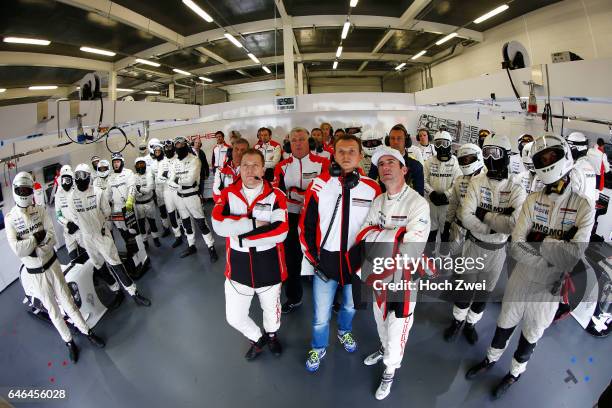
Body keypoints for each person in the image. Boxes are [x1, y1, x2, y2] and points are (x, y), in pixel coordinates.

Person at [466, 135, 594, 399]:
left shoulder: (584, 207)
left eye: (551, 156)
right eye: (542, 158)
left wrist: (539, 241)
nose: (547, 162)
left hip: (550, 287)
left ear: (564, 156)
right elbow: (516, 245)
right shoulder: (533, 199)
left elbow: (572, 256)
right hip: (521, 277)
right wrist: (555, 244)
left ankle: (514, 372)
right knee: (504, 323)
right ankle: (490, 360)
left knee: (531, 334)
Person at [300, 134, 381, 373]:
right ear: (333, 154)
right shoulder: (318, 185)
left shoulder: (373, 189)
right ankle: (319, 346)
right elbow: (306, 225)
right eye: (341, 151)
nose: (346, 156)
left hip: (357, 263)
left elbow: (377, 229)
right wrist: (314, 258)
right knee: (321, 314)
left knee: (349, 306)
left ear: (360, 156)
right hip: (325, 261)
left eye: (351, 151)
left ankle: (345, 332)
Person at [5, 171, 105, 363]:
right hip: (36, 274)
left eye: (28, 189)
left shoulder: (40, 210)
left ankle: (88, 332)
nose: (25, 193)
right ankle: (69, 341)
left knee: (69, 302)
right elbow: (18, 250)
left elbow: (52, 237)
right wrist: (36, 237)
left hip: (53, 266)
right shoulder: (10, 219)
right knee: (53, 311)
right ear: (16, 191)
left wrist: (33, 247)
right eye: (22, 190)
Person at [356, 146, 431, 400]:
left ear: (404, 169)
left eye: (391, 162)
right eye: (382, 164)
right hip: (378, 277)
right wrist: (394, 235)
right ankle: (383, 348)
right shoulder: (377, 201)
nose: (385, 167)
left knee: (398, 329)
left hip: (403, 282)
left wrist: (380, 236)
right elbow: (362, 236)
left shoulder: (417, 204)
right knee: (380, 320)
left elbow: (412, 249)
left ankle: (389, 370)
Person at [443, 135, 526, 344]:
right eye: (486, 152)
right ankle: (457, 321)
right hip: (473, 245)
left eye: (495, 153)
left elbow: (514, 225)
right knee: (465, 288)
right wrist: (498, 224)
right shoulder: (476, 182)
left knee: (483, 293)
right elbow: (466, 216)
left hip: (498, 251)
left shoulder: (517, 187)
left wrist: (485, 215)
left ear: (506, 156)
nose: (490, 158)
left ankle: (471, 323)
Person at [211, 148, 289, 360]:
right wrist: (254, 224)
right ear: (239, 168)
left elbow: (280, 231)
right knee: (234, 317)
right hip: (237, 266)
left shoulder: (277, 195)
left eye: (255, 165)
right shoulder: (227, 194)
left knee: (271, 314)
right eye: (245, 165)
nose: (249, 169)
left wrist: (241, 235)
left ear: (263, 169)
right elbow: (218, 226)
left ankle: (272, 335)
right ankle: (257, 338)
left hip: (269, 264)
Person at [69, 164, 151, 307]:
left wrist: (97, 224)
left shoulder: (98, 192)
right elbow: (75, 217)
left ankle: (133, 293)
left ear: (88, 177)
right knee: (99, 265)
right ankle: (116, 290)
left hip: (101, 234)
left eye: (83, 176)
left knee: (116, 264)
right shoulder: (72, 197)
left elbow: (106, 212)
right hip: (87, 237)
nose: (79, 179)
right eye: (77, 176)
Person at [274, 127, 330, 314]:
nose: (297, 143)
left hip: (317, 217)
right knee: (292, 258)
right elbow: (278, 196)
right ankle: (294, 297)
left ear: (309, 142)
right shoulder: (281, 166)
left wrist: (296, 193)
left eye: (301, 139)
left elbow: (328, 192)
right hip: (290, 217)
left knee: (325, 256)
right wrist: (304, 194)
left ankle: (332, 298)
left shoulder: (323, 162)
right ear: (289, 143)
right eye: (294, 139)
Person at [170, 136, 218, 260]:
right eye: (177, 145)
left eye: (182, 145)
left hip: (192, 195)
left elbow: (190, 180)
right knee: (186, 224)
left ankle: (211, 246)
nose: (179, 147)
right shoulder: (175, 162)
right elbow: (171, 180)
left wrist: (176, 180)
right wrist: (179, 181)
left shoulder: (194, 160)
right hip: (179, 196)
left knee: (201, 223)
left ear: (186, 145)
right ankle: (191, 245)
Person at [439, 143, 484, 258]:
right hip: (458, 229)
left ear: (477, 157)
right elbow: (453, 204)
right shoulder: (459, 180)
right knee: (455, 260)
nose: (465, 163)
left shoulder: (488, 181)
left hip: (477, 233)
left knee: (471, 265)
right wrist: (447, 225)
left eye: (468, 159)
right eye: (462, 160)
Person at [423, 131, 462, 245]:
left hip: (448, 205)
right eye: (438, 143)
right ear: (434, 145)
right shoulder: (429, 161)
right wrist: (431, 193)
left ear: (449, 144)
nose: (441, 147)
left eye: (444, 143)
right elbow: (424, 179)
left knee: (445, 234)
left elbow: (457, 183)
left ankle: (444, 258)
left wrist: (446, 194)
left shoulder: (455, 163)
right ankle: (430, 257)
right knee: (431, 232)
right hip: (431, 203)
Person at [106, 152, 145, 260]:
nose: (116, 164)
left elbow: (132, 188)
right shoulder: (110, 177)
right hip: (116, 210)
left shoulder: (128, 173)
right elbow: (108, 194)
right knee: (123, 232)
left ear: (122, 162)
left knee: (133, 231)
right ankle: (130, 251)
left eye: (118, 161)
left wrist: (129, 201)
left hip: (128, 207)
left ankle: (140, 252)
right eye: (114, 162)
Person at [368, 124, 424, 196]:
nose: (395, 142)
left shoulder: (416, 166)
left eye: (399, 138)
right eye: (392, 138)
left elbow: (419, 195)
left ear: (406, 141)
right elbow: (369, 185)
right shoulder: (377, 163)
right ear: (388, 141)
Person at [54, 165, 86, 261]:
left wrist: (77, 224)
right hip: (68, 232)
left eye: (67, 180)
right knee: (74, 258)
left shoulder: (78, 192)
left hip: (81, 230)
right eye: (63, 180)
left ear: (72, 179)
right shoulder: (58, 195)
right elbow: (58, 215)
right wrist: (68, 223)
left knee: (87, 256)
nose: (65, 182)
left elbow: (84, 210)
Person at [160, 140, 187, 248]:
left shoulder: (178, 159)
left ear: (173, 147)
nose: (168, 149)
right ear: (164, 149)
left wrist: (168, 175)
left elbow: (181, 175)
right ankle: (178, 236)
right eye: (166, 148)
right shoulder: (162, 162)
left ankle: (186, 232)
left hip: (178, 190)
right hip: (167, 192)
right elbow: (160, 178)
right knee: (171, 215)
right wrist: (170, 176)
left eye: (170, 147)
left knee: (182, 213)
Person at [134, 157, 161, 248]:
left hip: (149, 203)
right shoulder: (133, 177)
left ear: (145, 165)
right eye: (139, 164)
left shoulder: (149, 175)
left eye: (142, 164)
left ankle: (156, 239)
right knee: (141, 225)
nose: (141, 166)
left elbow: (149, 190)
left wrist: (139, 189)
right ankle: (145, 241)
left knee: (152, 222)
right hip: (138, 204)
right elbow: (133, 191)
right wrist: (141, 191)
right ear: (136, 166)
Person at [567, 132, 598, 205]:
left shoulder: (575, 169)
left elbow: (571, 196)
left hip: (578, 210)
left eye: (569, 148)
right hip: (589, 208)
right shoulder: (590, 166)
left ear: (575, 148)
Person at [151, 142, 171, 236]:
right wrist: (153, 191)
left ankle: (179, 227)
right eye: (156, 151)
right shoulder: (153, 163)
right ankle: (166, 228)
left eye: (159, 151)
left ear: (162, 151)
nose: (157, 153)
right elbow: (151, 177)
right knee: (162, 211)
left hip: (168, 188)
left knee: (172, 210)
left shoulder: (167, 160)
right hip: (158, 190)